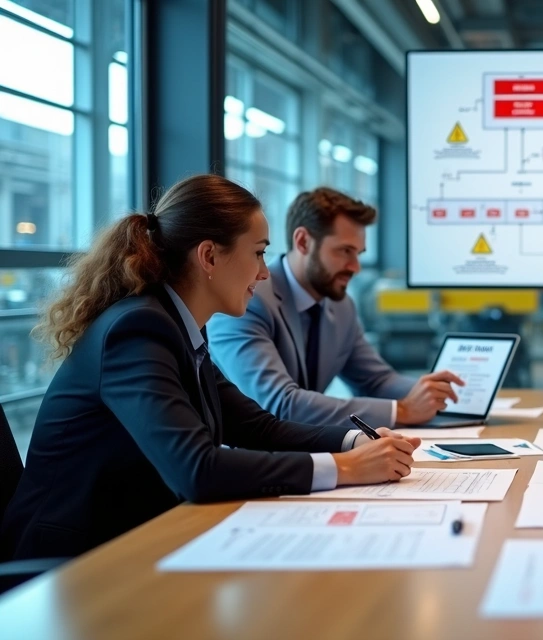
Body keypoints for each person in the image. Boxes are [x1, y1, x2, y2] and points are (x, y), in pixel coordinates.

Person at [0, 175, 420, 561]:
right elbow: (196, 469)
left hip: (136, 541)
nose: (262, 272)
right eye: (257, 253)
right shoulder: (138, 330)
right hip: (69, 563)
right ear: (208, 256)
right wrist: (344, 469)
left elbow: (259, 428)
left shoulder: (178, 328)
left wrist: (353, 442)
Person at [208, 187, 462, 427]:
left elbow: (376, 380)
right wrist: (403, 410)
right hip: (251, 461)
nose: (355, 267)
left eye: (358, 254)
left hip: (308, 450)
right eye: (344, 251)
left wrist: (439, 392)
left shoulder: (341, 306)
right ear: (303, 242)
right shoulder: (248, 299)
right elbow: (278, 403)